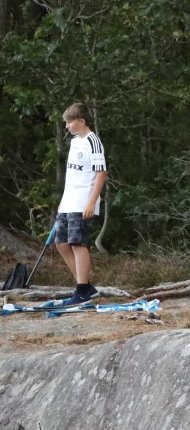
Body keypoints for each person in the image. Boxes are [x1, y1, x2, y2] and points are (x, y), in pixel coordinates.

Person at [55, 103, 108, 306]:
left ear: (81, 121)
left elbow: (101, 173)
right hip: (68, 202)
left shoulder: (93, 141)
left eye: (69, 122)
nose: (67, 126)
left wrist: (92, 202)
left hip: (83, 202)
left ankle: (82, 290)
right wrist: (62, 203)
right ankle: (86, 287)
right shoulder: (75, 142)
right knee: (61, 244)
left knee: (78, 243)